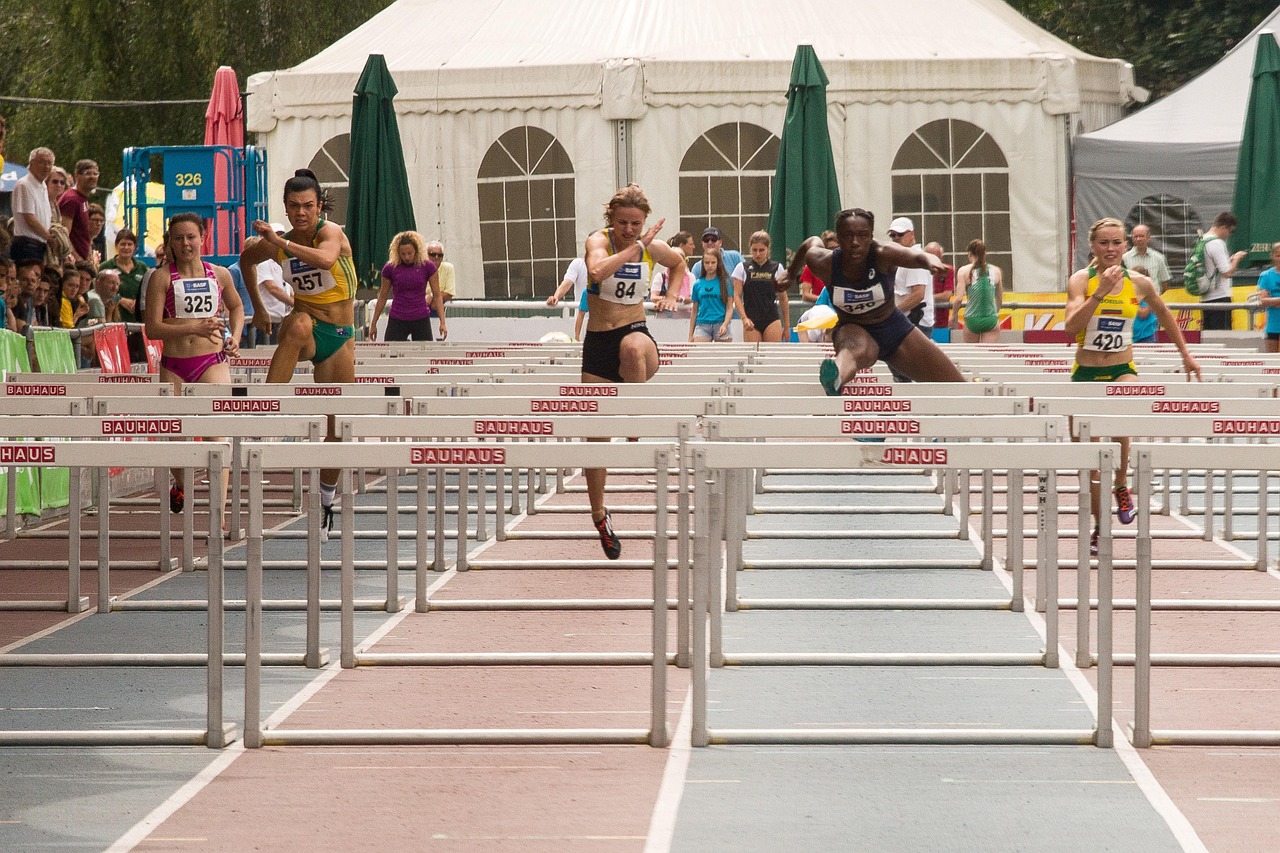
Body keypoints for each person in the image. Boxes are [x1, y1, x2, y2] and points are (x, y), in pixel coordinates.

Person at [1064, 218, 1201, 555]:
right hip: (1085, 375)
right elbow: (1070, 328)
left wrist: (1185, 354)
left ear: (1126, 246)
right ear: (1093, 247)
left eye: (1116, 243)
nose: (1111, 249)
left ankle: (1122, 484)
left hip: (1122, 369)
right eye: (1104, 243)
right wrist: (1097, 293)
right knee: (1092, 461)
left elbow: (1165, 315)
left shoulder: (1138, 283)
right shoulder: (1080, 281)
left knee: (1124, 408)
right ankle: (1099, 526)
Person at [239, 168, 359, 540]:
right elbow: (247, 260)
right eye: (294, 207)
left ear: (319, 205)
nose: (301, 213)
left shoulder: (331, 233)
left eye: (308, 206)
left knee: (336, 431)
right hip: (307, 328)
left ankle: (324, 502)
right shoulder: (278, 241)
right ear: (286, 209)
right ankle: (268, 415)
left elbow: (324, 261)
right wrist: (258, 309)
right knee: (297, 324)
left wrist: (282, 243)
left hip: (339, 337)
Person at [580, 183, 683, 558]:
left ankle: (634, 423)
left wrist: (671, 293)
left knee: (632, 347)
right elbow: (596, 269)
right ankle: (598, 515)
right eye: (623, 223)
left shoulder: (652, 247)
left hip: (636, 335)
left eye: (636, 224)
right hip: (597, 345)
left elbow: (679, 263)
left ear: (645, 221)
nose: (629, 229)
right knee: (595, 442)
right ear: (611, 220)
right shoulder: (600, 241)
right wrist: (635, 248)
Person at [787, 208, 963, 395]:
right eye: (848, 236)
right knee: (857, 349)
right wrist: (789, 274)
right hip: (853, 327)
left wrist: (929, 259)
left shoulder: (883, 253)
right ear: (839, 237)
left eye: (862, 236)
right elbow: (810, 244)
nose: (855, 243)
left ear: (871, 236)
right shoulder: (824, 261)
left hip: (894, 328)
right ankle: (835, 376)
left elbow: (914, 256)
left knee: (956, 386)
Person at [144, 213, 242, 522]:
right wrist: (192, 329)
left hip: (211, 362)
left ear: (203, 238)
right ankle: (182, 484)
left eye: (191, 237)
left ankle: (220, 513)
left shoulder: (220, 275)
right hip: (174, 365)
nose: (185, 243)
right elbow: (153, 329)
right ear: (170, 242)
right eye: (178, 238)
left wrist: (235, 337)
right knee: (176, 437)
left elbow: (237, 306)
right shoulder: (161, 277)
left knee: (218, 437)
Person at [368, 230, 446, 342]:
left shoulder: (427, 266)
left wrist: (442, 322)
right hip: (397, 317)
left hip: (420, 317)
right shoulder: (390, 268)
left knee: (424, 354)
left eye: (410, 253)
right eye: (403, 254)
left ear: (416, 251)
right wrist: (374, 323)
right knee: (393, 353)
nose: (407, 257)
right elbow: (383, 296)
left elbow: (437, 295)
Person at [731, 230, 788, 343]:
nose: (758, 254)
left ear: (768, 249)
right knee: (752, 355)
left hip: (771, 319)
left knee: (770, 356)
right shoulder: (742, 268)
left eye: (761, 250)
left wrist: (786, 327)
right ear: (750, 249)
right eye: (754, 250)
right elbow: (737, 296)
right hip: (751, 319)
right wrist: (744, 318)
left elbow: (783, 298)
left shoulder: (777, 268)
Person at [1197, 211, 1247, 331]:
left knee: (1210, 339)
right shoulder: (1216, 243)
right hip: (1220, 297)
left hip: (1206, 297)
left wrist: (1229, 261)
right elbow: (1227, 272)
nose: (1230, 235)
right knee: (1222, 338)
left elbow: (1212, 266)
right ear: (1224, 227)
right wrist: (1237, 259)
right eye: (1231, 231)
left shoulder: (1202, 240)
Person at [950, 238, 1003, 343]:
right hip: (990, 318)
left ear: (969, 254)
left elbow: (959, 299)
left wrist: (953, 314)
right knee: (988, 355)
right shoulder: (996, 271)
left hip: (972, 318)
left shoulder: (964, 271)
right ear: (985, 254)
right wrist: (994, 313)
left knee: (971, 355)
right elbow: (1000, 299)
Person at [11, 147, 55, 264]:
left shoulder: (43, 186)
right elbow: (29, 218)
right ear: (31, 163)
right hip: (27, 245)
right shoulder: (24, 184)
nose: (46, 167)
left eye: (49, 163)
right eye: (41, 162)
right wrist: (49, 237)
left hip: (40, 244)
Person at [58, 159, 99, 265]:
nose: (92, 177)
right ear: (77, 176)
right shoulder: (71, 199)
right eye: (88, 173)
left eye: (95, 173)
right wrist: (78, 259)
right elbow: (64, 235)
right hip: (74, 264)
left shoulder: (83, 199)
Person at [99, 229, 145, 323]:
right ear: (116, 245)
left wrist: (138, 302)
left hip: (137, 321)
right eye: (123, 244)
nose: (126, 247)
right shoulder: (106, 266)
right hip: (113, 320)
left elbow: (148, 292)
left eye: (130, 244)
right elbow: (99, 292)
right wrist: (120, 300)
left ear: (135, 247)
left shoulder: (142, 267)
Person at [688, 247, 732, 342]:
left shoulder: (725, 282)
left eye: (713, 262)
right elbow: (694, 311)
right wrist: (690, 334)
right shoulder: (697, 284)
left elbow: (729, 307)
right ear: (703, 264)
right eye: (707, 263)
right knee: (700, 354)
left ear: (718, 263)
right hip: (702, 324)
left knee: (724, 355)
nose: (710, 266)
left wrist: (725, 324)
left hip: (721, 323)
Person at [654, 230, 695, 315]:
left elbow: (693, 296)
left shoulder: (690, 276)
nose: (693, 247)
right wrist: (669, 298)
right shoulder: (661, 276)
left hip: (685, 317)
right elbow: (653, 297)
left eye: (682, 259)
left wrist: (682, 299)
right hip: (665, 317)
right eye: (691, 244)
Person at [1123, 224, 1171, 291]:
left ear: (1148, 238)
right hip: (1132, 299)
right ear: (1132, 238)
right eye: (1135, 236)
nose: (1138, 239)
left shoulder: (1159, 258)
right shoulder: (1124, 258)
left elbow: (1164, 284)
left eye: (1141, 236)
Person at [1253, 242, 1280, 353]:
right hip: (1272, 326)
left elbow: (1268, 301)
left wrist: (1273, 301)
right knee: (1272, 360)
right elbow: (1263, 301)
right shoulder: (1266, 275)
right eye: (1278, 255)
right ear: (1273, 256)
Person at [924, 241, 954, 331]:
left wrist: (924, 297)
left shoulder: (948, 271)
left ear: (941, 256)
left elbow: (946, 295)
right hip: (921, 320)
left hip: (940, 321)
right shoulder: (919, 270)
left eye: (934, 256)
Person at [800, 230, 838, 301]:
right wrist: (825, 300)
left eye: (836, 248)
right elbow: (806, 295)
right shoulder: (810, 267)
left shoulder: (845, 266)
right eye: (830, 249)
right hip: (821, 309)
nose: (833, 252)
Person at [426, 241, 454, 330]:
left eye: (440, 255)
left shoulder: (448, 268)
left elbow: (449, 293)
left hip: (438, 314)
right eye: (432, 254)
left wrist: (432, 296)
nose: (436, 257)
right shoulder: (419, 268)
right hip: (419, 311)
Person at [1128, 265, 1158, 344]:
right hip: (1130, 336)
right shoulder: (1129, 293)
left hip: (1146, 336)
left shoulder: (1149, 295)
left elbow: (1143, 313)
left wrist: (1130, 301)